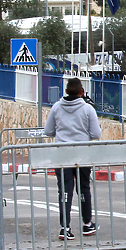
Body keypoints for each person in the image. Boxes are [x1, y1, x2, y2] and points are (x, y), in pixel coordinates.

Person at [44, 77, 102, 240]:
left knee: (64, 190)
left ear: (66, 91)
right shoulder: (88, 109)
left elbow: (48, 131)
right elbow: (96, 134)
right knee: (83, 187)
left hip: (62, 153)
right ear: (82, 92)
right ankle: (87, 224)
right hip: (82, 152)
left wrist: (62, 133)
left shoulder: (56, 107)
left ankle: (65, 227)